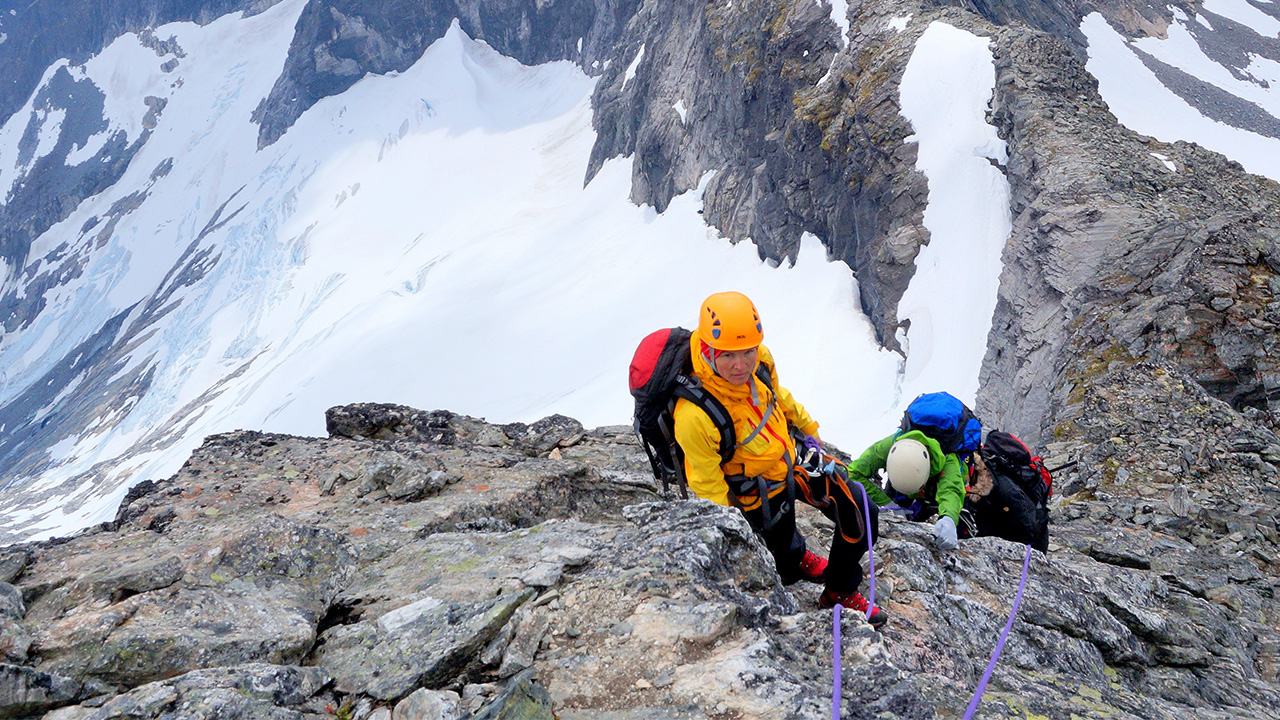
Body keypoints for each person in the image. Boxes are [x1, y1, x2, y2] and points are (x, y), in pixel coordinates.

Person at [672, 291, 885, 626]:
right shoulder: (694, 416)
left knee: (861, 508)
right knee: (782, 567)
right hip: (753, 495)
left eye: (747, 351)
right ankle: (794, 557)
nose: (741, 364)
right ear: (707, 350)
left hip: (790, 467)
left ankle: (839, 591)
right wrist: (733, 534)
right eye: (728, 355)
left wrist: (807, 429)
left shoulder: (760, 361)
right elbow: (707, 484)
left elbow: (777, 396)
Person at [845, 428, 967, 551]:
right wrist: (887, 503)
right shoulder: (887, 448)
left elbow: (951, 490)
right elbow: (853, 473)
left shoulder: (948, 461)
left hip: (933, 491)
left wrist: (948, 517)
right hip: (899, 489)